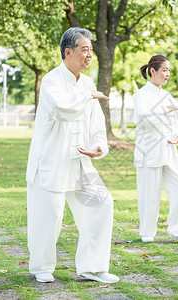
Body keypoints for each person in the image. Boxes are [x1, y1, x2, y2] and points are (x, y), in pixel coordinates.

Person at [25, 27, 119, 284]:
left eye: (91, 50)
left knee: (102, 203)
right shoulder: (52, 80)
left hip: (80, 161)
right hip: (52, 161)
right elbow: (61, 108)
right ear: (68, 52)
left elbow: (97, 123)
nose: (90, 55)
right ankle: (42, 267)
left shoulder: (87, 83)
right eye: (84, 50)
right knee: (49, 216)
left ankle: (92, 267)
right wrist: (87, 94)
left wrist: (99, 146)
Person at [133, 54, 178, 244]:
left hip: (168, 150)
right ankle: (147, 232)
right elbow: (143, 118)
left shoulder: (167, 96)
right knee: (149, 193)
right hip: (148, 150)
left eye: (169, 71)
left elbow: (177, 120)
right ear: (153, 71)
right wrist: (165, 110)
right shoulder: (142, 95)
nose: (167, 74)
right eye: (164, 70)